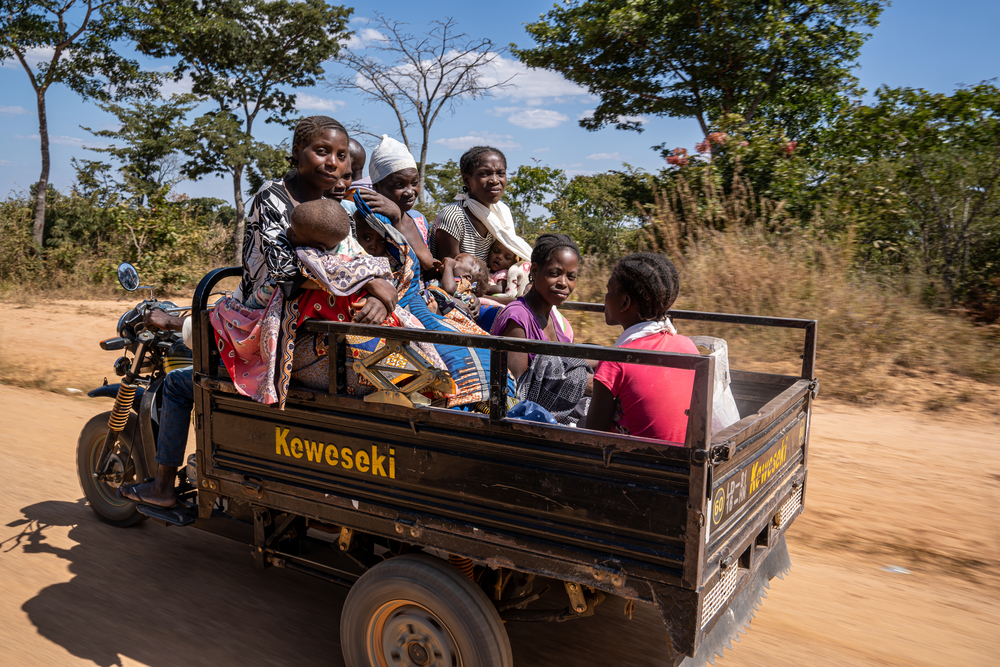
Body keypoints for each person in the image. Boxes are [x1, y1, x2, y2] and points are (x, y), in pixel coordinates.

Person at [236, 115, 364, 304]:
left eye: (341, 156)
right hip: (261, 312)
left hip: (326, 311)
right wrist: (364, 281)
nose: (333, 163)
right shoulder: (272, 196)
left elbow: (354, 257)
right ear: (297, 152)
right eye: (322, 151)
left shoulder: (339, 212)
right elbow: (285, 271)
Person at [585, 253, 699, 444]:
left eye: (609, 290)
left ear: (624, 303)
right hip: (683, 459)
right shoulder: (687, 345)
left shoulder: (616, 360)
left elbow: (592, 435)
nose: (605, 297)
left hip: (637, 465)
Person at [490, 234, 589, 424]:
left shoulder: (551, 316)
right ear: (534, 271)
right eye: (554, 273)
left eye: (571, 277)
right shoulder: (517, 318)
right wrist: (580, 382)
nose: (563, 283)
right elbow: (515, 392)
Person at [430, 146, 532, 265]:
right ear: (467, 180)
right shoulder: (454, 217)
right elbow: (451, 273)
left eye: (501, 173)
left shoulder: (501, 213)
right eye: (484, 174)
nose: (494, 180)